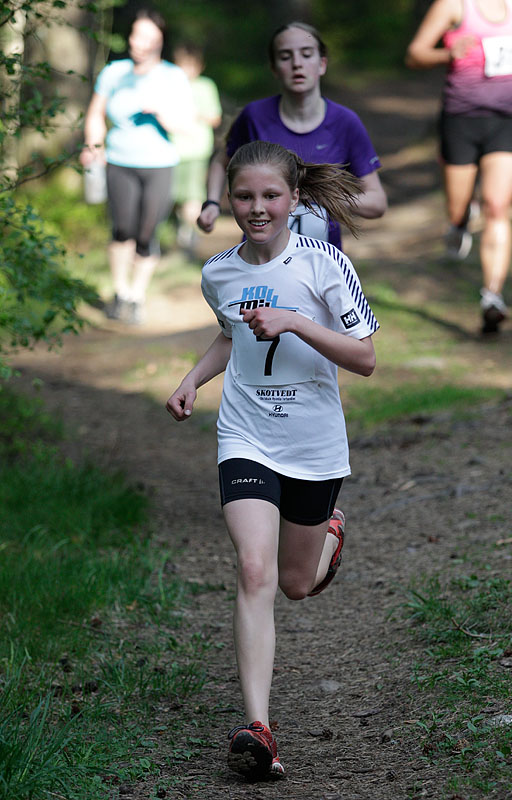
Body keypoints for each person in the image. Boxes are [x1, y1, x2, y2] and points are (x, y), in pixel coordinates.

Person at [166, 140, 378, 779]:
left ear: (293, 198)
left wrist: (294, 321)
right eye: (244, 196)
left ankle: (328, 530)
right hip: (246, 435)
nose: (257, 208)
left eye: (270, 196)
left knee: (296, 584)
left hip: (313, 444)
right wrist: (191, 379)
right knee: (254, 569)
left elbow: (365, 358)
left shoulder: (324, 262)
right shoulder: (218, 272)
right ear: (229, 199)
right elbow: (230, 334)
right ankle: (259, 727)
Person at [405, 0, 512, 333]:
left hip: (509, 118)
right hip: (461, 119)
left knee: (497, 206)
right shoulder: (452, 6)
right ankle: (462, 219)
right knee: (457, 209)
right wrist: (447, 54)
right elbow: (415, 54)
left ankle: (492, 297)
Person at [197, 21, 387, 251]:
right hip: (259, 258)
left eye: (306, 54)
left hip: (320, 259)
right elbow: (222, 161)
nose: (297, 64)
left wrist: (322, 197)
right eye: (285, 56)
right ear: (274, 68)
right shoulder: (254, 116)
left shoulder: (345, 122)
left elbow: (377, 203)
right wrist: (212, 203)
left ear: (322, 64)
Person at [80, 9, 194, 325]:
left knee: (146, 234)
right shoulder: (114, 72)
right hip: (119, 161)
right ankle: (120, 293)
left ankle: (137, 296)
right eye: (135, 35)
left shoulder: (173, 76)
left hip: (159, 164)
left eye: (147, 37)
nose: (139, 43)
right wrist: (93, 145)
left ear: (160, 41)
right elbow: (95, 113)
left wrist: (158, 110)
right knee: (122, 229)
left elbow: (185, 124)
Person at [172, 44, 222, 253]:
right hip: (170, 152)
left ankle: (188, 236)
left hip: (196, 151)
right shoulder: (169, 84)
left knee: (192, 196)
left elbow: (215, 118)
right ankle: (182, 230)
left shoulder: (206, 87)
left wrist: (195, 113)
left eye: (191, 65)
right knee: (175, 197)